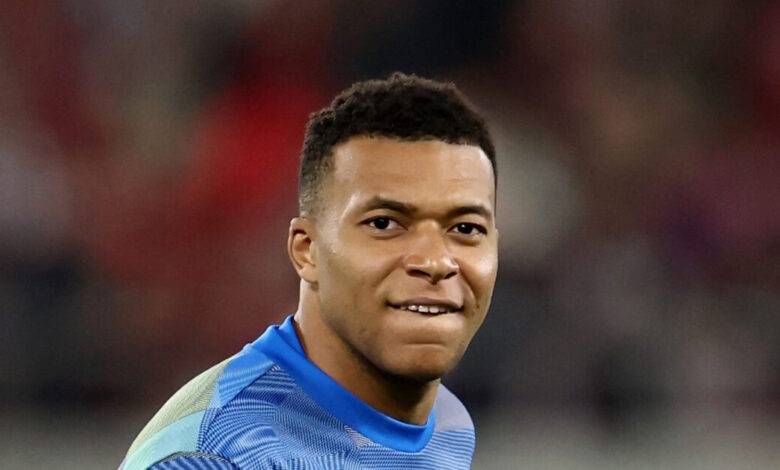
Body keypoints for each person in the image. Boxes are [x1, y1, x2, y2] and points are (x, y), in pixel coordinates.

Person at [121, 72, 498, 469]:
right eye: (384, 223)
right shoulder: (217, 456)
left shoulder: (446, 424)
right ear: (306, 250)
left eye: (466, 229)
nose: (435, 262)